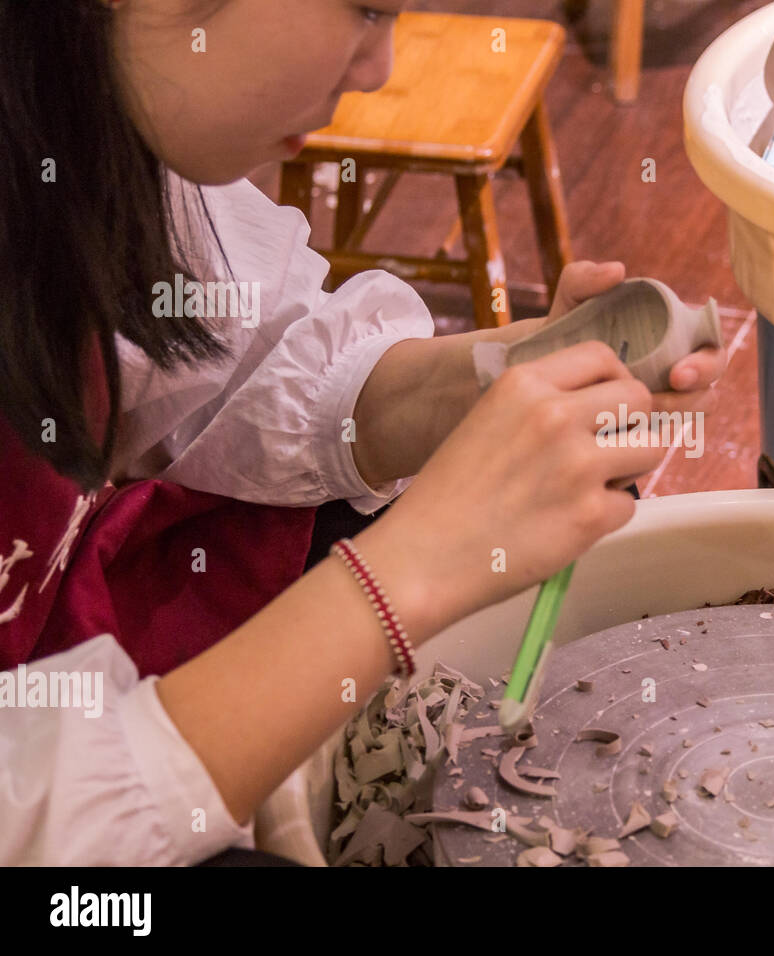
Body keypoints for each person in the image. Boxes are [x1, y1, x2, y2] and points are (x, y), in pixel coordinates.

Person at [0, 0, 724, 865]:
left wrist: (513, 373)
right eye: (367, 11)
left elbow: (239, 373)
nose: (378, 68)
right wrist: (414, 567)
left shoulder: (86, 123)